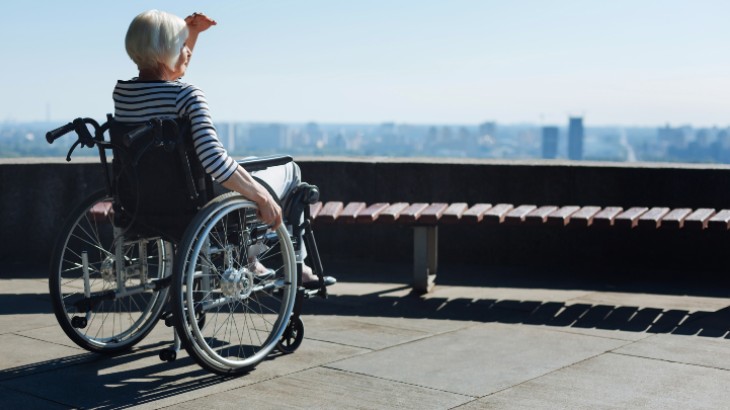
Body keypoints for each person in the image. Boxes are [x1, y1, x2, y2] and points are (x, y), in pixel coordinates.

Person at [116, 9, 333, 288]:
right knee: (290, 170)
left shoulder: (123, 95)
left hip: (144, 199)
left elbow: (165, 81)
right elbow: (213, 160)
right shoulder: (189, 95)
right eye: (181, 46)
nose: (188, 52)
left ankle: (251, 258)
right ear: (166, 50)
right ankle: (294, 266)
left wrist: (189, 36)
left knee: (252, 163)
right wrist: (263, 197)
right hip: (197, 201)